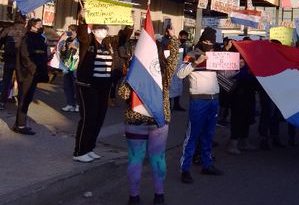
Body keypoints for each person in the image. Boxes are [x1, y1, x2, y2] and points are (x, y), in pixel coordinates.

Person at [118, 32, 180, 205]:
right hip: (158, 121)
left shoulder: (133, 73)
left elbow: (122, 94)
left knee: (135, 158)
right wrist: (173, 38)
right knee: (158, 157)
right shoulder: (164, 74)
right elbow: (174, 59)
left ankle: (134, 197)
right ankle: (159, 196)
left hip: (134, 121)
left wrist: (129, 73)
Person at [74, 12, 133, 163]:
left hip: (103, 86)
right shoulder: (88, 41)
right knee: (88, 118)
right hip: (87, 85)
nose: (104, 30)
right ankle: (79, 151)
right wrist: (83, 19)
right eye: (100, 28)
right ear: (93, 29)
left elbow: (122, 38)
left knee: (99, 118)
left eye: (105, 28)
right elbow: (82, 33)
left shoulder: (109, 42)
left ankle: (90, 148)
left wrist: (129, 24)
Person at [177, 27, 224, 183]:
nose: (208, 43)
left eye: (211, 41)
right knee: (192, 135)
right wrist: (196, 62)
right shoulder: (192, 54)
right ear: (201, 40)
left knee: (209, 134)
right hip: (198, 100)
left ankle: (207, 164)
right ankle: (185, 169)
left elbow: (224, 75)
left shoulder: (216, 57)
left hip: (214, 99)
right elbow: (180, 74)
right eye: (205, 41)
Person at [13, 18, 48, 135]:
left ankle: (18, 124)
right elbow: (26, 57)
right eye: (39, 25)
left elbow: (40, 54)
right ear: (32, 26)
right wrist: (33, 69)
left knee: (27, 99)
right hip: (27, 74)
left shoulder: (39, 38)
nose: (41, 27)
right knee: (24, 99)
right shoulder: (27, 38)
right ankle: (21, 126)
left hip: (34, 73)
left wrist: (47, 58)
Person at [0, 18, 24, 110]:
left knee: (6, 80)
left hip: (9, 58)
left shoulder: (8, 29)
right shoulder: (26, 31)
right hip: (21, 60)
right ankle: (21, 103)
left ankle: (2, 102)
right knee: (20, 81)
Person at [57, 25, 79, 112]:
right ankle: (70, 104)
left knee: (75, 86)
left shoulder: (79, 40)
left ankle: (78, 104)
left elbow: (82, 50)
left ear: (74, 31)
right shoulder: (68, 40)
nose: (68, 32)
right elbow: (64, 52)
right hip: (67, 65)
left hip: (76, 65)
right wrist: (63, 49)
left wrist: (75, 47)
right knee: (67, 85)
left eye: (69, 30)